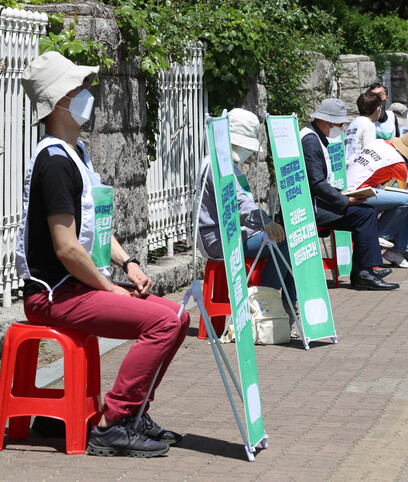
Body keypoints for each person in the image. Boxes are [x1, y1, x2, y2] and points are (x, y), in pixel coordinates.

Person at [17, 51, 189, 457]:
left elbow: (96, 231)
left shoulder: (78, 155)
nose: (88, 95)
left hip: (78, 286)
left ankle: (134, 410)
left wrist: (128, 264)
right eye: (80, 88)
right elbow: (67, 247)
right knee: (167, 321)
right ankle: (113, 423)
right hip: (53, 295)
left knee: (177, 319)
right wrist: (111, 290)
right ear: (59, 102)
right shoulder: (54, 163)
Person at [197, 108, 297, 316]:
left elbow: (242, 203)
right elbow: (239, 203)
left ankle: (286, 304)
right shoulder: (216, 165)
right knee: (284, 242)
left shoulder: (226, 163)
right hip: (218, 238)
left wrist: (264, 222)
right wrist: (265, 222)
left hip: (233, 232)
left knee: (286, 240)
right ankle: (266, 302)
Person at [300, 98, 399, 290]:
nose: (339, 128)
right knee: (364, 215)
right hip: (312, 206)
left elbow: (319, 182)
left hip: (318, 200)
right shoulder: (311, 141)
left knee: (367, 210)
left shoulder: (314, 136)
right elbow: (316, 183)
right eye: (338, 124)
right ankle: (364, 272)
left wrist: (344, 194)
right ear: (325, 121)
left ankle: (365, 270)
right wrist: (345, 200)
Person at [347, 131, 408, 268]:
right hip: (359, 193)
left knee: (402, 203)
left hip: (348, 188)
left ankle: (398, 251)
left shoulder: (379, 143)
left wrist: (406, 182)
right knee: (407, 202)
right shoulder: (399, 163)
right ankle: (379, 234)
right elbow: (405, 196)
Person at [344, 92, 382, 164]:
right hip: (360, 170)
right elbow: (369, 153)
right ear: (378, 109)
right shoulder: (368, 124)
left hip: (349, 168)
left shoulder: (353, 123)